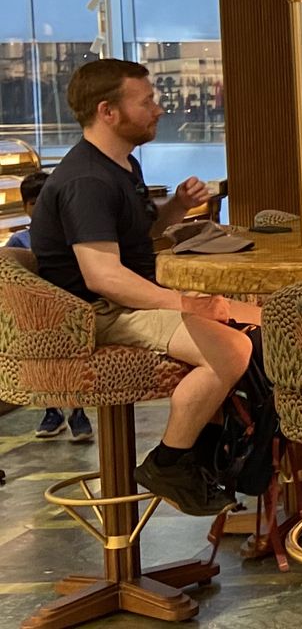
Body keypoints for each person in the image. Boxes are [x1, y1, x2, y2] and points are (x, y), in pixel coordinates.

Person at [31, 59, 256, 516]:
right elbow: (103, 276)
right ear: (107, 111)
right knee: (231, 349)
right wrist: (186, 302)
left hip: (122, 301)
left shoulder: (119, 165)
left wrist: (176, 207)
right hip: (97, 314)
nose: (158, 109)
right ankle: (171, 462)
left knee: (262, 318)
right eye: (147, 101)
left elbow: (138, 238)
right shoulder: (87, 181)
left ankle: (209, 454)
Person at [9, 171, 94, 443]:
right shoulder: (19, 242)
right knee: (46, 368)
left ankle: (78, 411)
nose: (38, 209)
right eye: (33, 204)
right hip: (35, 315)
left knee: (70, 364)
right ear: (25, 207)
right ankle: (52, 411)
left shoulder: (72, 239)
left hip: (68, 311)